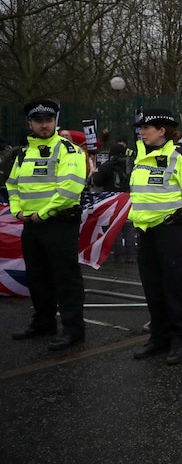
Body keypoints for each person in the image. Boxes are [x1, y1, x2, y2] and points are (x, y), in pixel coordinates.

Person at [8, 100, 87, 351]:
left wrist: (42, 213)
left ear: (55, 121)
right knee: (37, 276)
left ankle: (73, 329)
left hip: (58, 224)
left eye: (49, 121)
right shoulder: (23, 153)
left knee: (66, 278)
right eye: (39, 121)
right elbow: (13, 185)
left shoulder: (68, 150)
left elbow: (70, 188)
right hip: (31, 224)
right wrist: (17, 210)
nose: (44, 125)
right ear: (30, 124)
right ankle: (43, 322)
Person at [128, 107, 182, 365]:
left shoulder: (181, 157)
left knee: (174, 289)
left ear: (162, 131)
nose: (142, 132)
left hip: (169, 231)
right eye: (141, 128)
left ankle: (180, 341)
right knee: (153, 288)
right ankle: (158, 338)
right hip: (145, 231)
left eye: (146, 128)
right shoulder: (139, 156)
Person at [90, 142, 136, 263]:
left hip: (112, 200)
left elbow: (97, 182)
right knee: (129, 228)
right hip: (128, 198)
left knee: (114, 229)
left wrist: (95, 174)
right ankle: (131, 255)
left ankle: (119, 256)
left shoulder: (108, 165)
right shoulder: (131, 164)